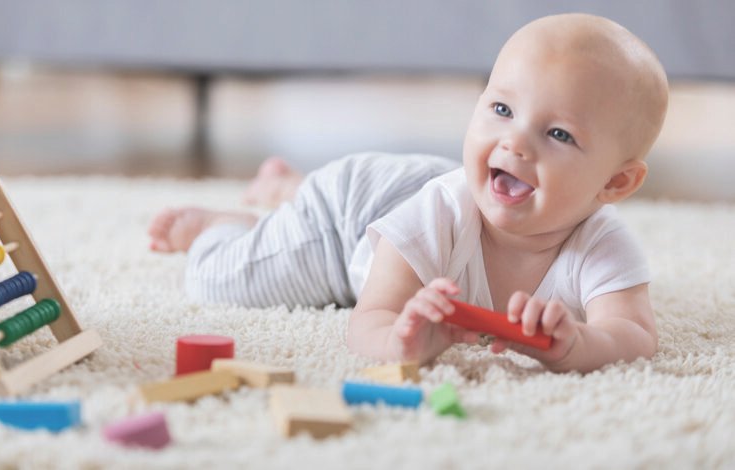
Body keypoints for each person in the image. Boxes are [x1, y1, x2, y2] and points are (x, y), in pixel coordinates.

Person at [148, 13, 669, 373]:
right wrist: (401, 341)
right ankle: (227, 224)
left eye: (558, 134)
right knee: (220, 281)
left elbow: (633, 335)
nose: (513, 142)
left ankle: (288, 188)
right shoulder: (438, 214)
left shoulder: (601, 244)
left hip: (420, 185)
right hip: (347, 218)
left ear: (615, 183)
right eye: (502, 110)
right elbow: (367, 320)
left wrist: (579, 345)